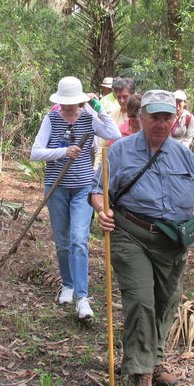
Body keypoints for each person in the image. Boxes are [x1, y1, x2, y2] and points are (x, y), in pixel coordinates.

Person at [90, 90, 194, 386]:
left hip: (172, 241)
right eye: (155, 117)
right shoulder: (120, 151)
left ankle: (154, 358)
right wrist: (102, 208)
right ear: (141, 117)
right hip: (130, 233)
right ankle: (141, 374)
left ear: (175, 120)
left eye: (167, 118)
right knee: (141, 300)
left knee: (167, 301)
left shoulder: (184, 154)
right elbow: (99, 189)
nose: (161, 124)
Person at [31, 76, 121, 320]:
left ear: (81, 102)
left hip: (83, 188)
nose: (70, 109)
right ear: (59, 103)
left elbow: (114, 134)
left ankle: (83, 297)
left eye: (74, 105)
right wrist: (63, 151)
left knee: (79, 240)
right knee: (62, 242)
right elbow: (35, 152)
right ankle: (68, 284)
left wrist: (99, 108)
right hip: (56, 187)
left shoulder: (88, 117)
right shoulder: (50, 119)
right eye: (66, 105)